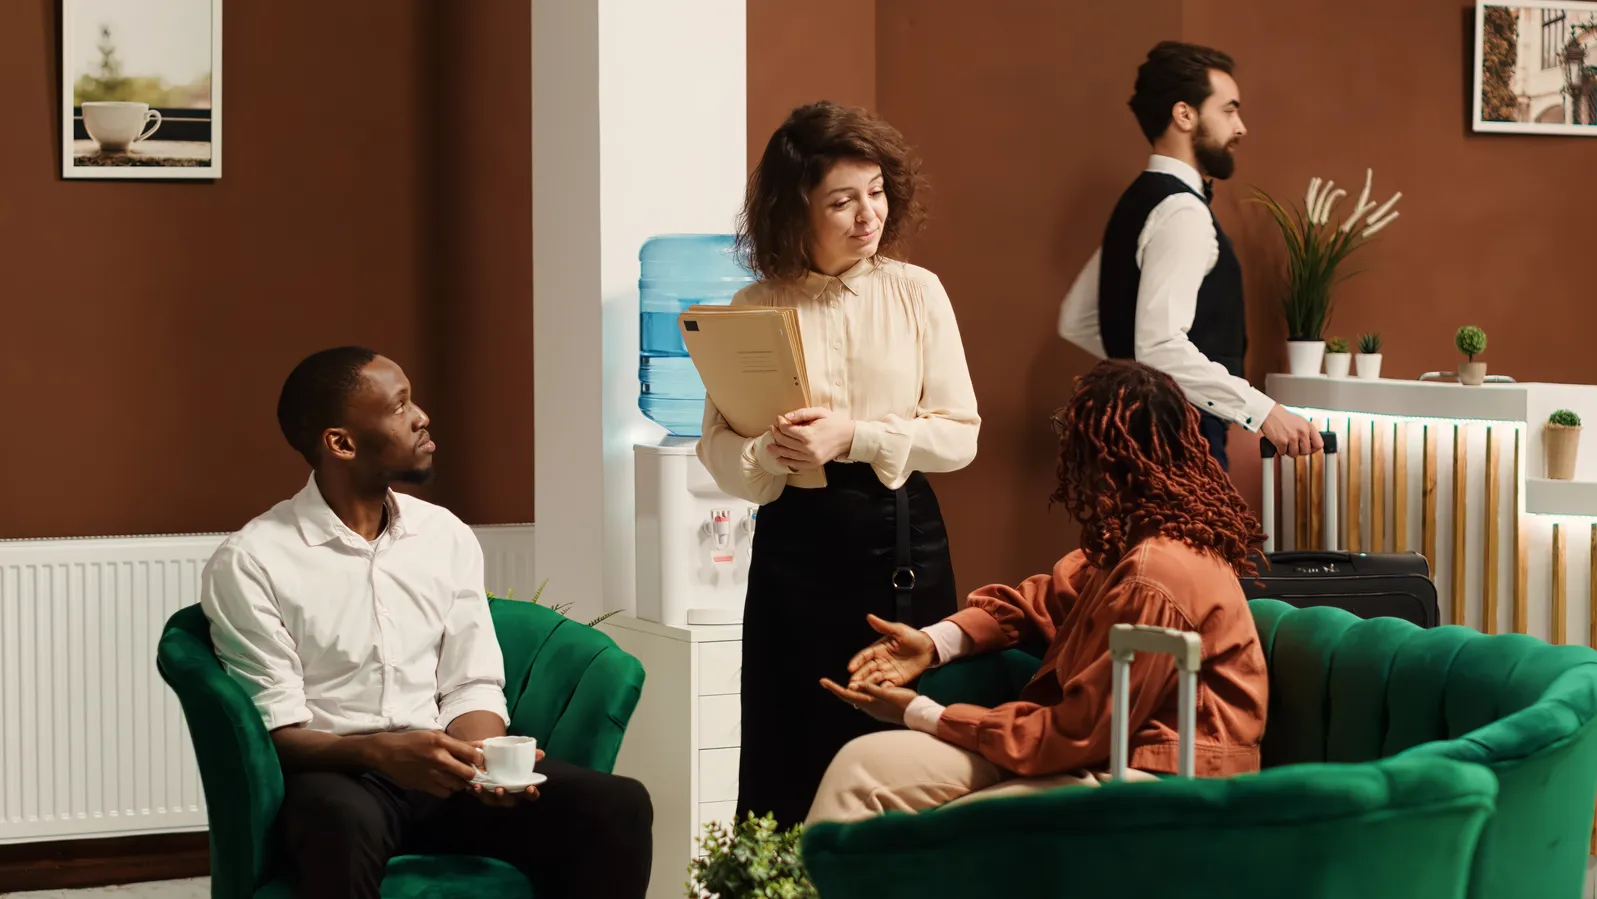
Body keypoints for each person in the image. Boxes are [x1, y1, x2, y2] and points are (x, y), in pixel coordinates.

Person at [199, 347, 652, 899]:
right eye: (399, 406)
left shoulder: (445, 535)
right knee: (342, 822)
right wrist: (378, 751)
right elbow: (279, 732)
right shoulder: (253, 560)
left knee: (616, 804)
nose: (422, 418)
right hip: (339, 776)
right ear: (340, 442)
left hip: (445, 771)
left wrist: (482, 762)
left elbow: (471, 681)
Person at [806, 359, 1268, 824]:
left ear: (1105, 461)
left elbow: (1080, 732)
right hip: (1098, 756)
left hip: (1151, 780)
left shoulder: (1157, 573)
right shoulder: (1135, 543)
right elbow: (1038, 601)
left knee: (905, 803)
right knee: (863, 767)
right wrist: (932, 644)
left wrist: (922, 713)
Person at [697, 101, 981, 828]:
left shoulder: (916, 290)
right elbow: (719, 456)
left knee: (898, 746)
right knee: (786, 746)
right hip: (792, 546)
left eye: (877, 191)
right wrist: (768, 451)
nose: (868, 215)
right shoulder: (752, 305)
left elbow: (959, 436)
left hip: (897, 540)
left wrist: (851, 435)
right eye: (842, 200)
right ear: (795, 209)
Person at [1056, 41, 1321, 471]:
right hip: (1183, 438)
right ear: (1185, 114)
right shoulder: (1182, 212)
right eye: (1229, 110)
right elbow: (1159, 345)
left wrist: (1134, 383)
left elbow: (1079, 318)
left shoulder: (1136, 202)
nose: (1241, 127)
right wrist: (1265, 411)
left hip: (1136, 437)